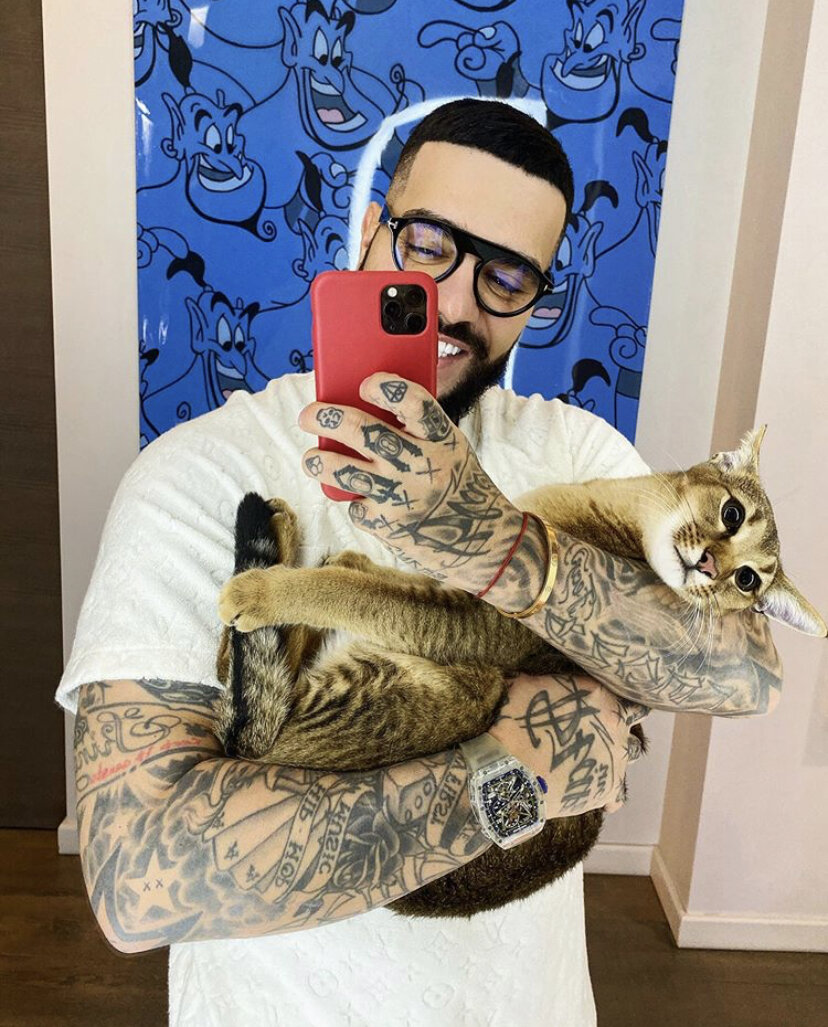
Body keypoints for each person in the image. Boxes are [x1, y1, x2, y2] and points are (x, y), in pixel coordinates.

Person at [59, 99, 781, 1027]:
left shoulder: (579, 454)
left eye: (507, 275)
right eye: (429, 242)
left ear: (536, 300)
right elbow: (136, 883)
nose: (456, 301)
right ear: (372, 230)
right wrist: (517, 774)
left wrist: (496, 544)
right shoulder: (197, 473)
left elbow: (746, 673)